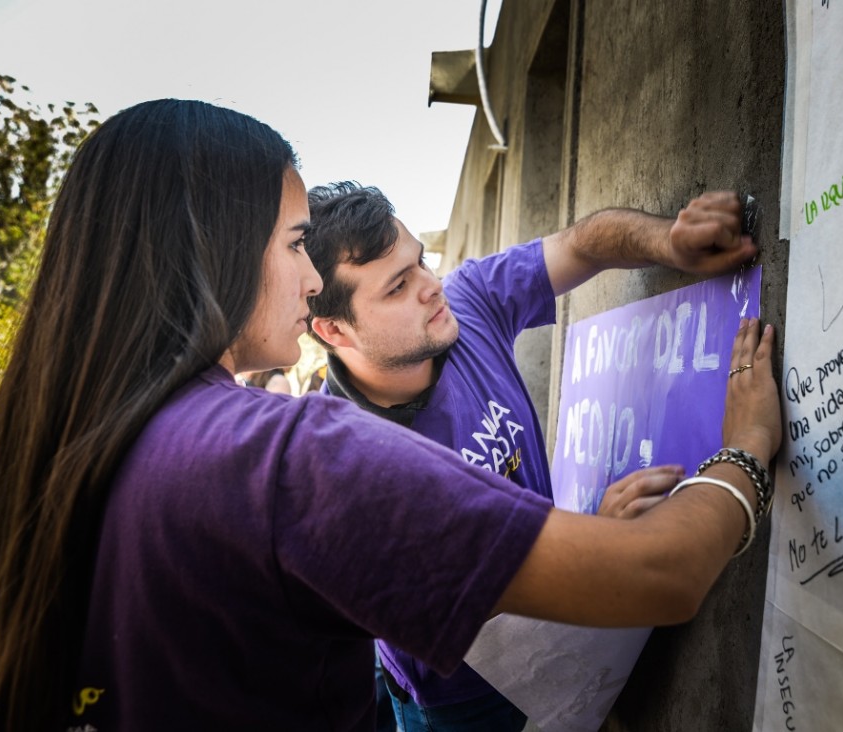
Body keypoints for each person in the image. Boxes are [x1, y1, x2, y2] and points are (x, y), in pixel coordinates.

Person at [0, 99, 780, 731]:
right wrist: (741, 450)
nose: (306, 278)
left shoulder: (43, 456)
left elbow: (584, 242)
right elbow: (660, 574)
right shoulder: (290, 456)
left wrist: (668, 241)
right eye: (290, 247)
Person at [305, 182, 757, 730]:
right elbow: (459, 611)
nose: (430, 287)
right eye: (398, 287)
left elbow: (583, 244)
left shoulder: (464, 304)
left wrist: (668, 240)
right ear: (333, 329)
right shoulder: (343, 464)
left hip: (564, 621)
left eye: (421, 263)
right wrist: (592, 543)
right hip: (463, 700)